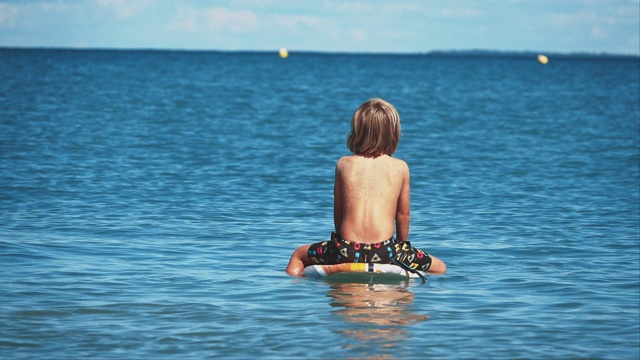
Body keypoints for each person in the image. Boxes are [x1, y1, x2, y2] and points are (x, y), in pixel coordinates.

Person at [285, 98, 446, 276]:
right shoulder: (400, 167)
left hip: (345, 251)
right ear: (392, 132)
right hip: (386, 253)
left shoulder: (343, 164)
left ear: (357, 131)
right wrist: (401, 247)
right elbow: (403, 216)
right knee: (440, 267)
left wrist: (340, 246)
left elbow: (338, 212)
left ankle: (333, 269)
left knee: (298, 256)